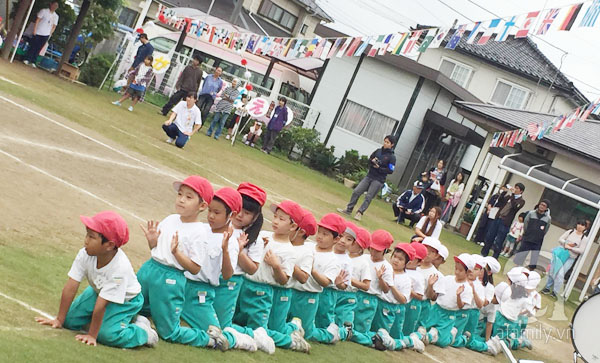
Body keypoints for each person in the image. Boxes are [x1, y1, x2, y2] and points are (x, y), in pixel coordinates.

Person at [35, 211, 158, 348]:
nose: (86, 240)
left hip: (126, 301)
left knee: (107, 335)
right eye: (87, 234)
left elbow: (101, 305)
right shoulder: (85, 253)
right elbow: (71, 286)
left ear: (109, 245)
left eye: (91, 237)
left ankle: (143, 331)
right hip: (99, 292)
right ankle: (117, 321)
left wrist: (92, 335)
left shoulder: (119, 268)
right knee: (69, 321)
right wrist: (59, 320)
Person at [136, 176, 229, 348]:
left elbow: (194, 267)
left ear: (202, 206)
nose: (181, 199)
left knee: (169, 332)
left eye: (188, 197)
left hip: (170, 279)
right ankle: (143, 322)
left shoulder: (200, 232)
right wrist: (152, 240)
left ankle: (209, 339)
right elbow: (157, 250)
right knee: (131, 306)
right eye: (180, 194)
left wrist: (177, 253)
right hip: (150, 269)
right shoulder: (170, 219)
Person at [181, 187, 258, 352]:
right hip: (183, 285)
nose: (210, 216)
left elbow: (227, 274)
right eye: (210, 210)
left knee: (216, 334)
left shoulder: (230, 241)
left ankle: (239, 339)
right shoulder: (201, 229)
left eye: (216, 213)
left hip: (201, 293)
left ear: (231, 215)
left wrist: (225, 250)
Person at [213, 182, 266, 329]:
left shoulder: (254, 240)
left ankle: (254, 335)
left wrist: (239, 250)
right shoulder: (218, 225)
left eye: (247, 213)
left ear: (255, 218)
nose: (241, 214)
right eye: (239, 208)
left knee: (221, 325)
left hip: (230, 283)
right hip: (209, 276)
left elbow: (252, 269)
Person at [418, 254, 474, 349]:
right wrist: (431, 285)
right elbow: (434, 297)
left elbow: (460, 306)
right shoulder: (447, 279)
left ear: (468, 272)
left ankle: (460, 337)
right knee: (423, 328)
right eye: (456, 268)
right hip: (436, 309)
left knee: (442, 342)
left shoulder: (467, 288)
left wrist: (458, 295)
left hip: (449, 314)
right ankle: (433, 334)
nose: (456, 272)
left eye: (460, 270)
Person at [338, 135, 397, 221]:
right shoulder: (378, 151)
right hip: (369, 176)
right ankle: (349, 209)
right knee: (356, 191)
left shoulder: (392, 157)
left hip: (378, 179)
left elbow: (390, 170)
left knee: (368, 197)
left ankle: (360, 212)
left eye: (387, 142)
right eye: (385, 141)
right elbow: (370, 158)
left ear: (392, 144)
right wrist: (372, 162)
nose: (385, 144)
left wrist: (380, 168)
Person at [542, 220, 588, 298]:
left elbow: (581, 250)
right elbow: (560, 239)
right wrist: (566, 243)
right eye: (579, 224)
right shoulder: (570, 231)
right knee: (553, 270)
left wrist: (570, 247)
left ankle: (555, 291)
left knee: (560, 274)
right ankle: (547, 287)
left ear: (585, 227)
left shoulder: (584, 238)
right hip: (560, 254)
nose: (580, 226)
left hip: (570, 258)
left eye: (582, 225)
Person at [482, 183, 526, 259]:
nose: (515, 189)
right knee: (490, 236)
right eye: (515, 187)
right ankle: (483, 254)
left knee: (499, 241)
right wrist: (504, 192)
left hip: (505, 222)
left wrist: (512, 195)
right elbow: (501, 201)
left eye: (517, 188)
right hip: (498, 218)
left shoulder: (521, 201)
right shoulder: (509, 196)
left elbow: (515, 206)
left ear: (521, 191)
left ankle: (494, 257)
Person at [513, 200, 551, 270]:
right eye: (541, 204)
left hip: (537, 240)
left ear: (546, 208)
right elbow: (525, 224)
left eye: (544, 206)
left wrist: (539, 235)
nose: (542, 206)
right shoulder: (531, 213)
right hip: (527, 237)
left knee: (534, 258)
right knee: (521, 254)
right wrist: (527, 233)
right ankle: (516, 269)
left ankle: (530, 271)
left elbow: (546, 230)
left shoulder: (548, 218)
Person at [24, 1, 59, 67]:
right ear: (51, 4)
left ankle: (33, 61)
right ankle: (27, 58)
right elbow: (37, 20)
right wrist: (34, 30)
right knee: (33, 46)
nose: (54, 7)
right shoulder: (44, 11)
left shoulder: (56, 16)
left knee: (39, 48)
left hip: (46, 34)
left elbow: (54, 26)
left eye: (56, 6)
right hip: (38, 31)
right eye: (54, 5)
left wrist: (50, 34)